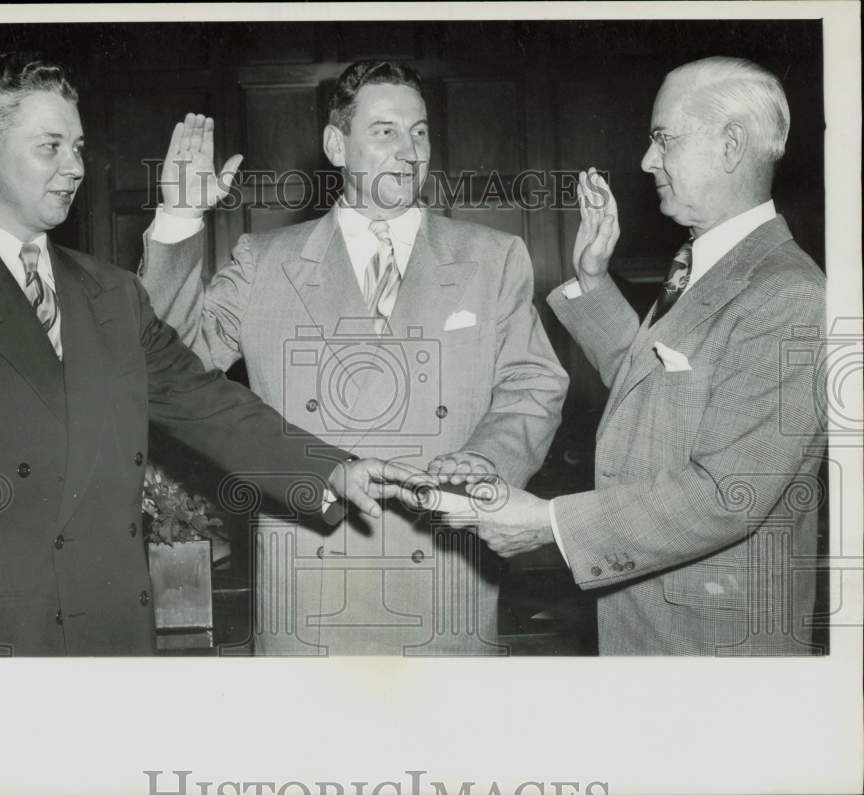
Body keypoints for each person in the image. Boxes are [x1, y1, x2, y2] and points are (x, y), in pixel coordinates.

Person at [0, 52, 424, 657]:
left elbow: (209, 402)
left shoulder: (110, 291)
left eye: (79, 147)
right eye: (51, 147)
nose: (75, 168)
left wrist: (329, 469)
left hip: (111, 635)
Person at [139, 60, 568, 655]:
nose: (408, 151)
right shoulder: (266, 260)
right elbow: (171, 364)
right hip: (310, 586)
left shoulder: (493, 257)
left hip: (446, 577)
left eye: (419, 132)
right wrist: (180, 218)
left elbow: (533, 384)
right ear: (336, 145)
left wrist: (484, 461)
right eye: (385, 131)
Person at [430, 56, 827, 655]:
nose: (646, 160)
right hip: (654, 620)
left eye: (663, 138)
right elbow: (661, 400)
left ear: (730, 145)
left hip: (715, 644)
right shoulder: (709, 262)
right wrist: (593, 279)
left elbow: (728, 493)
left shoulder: (788, 292)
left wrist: (550, 523)